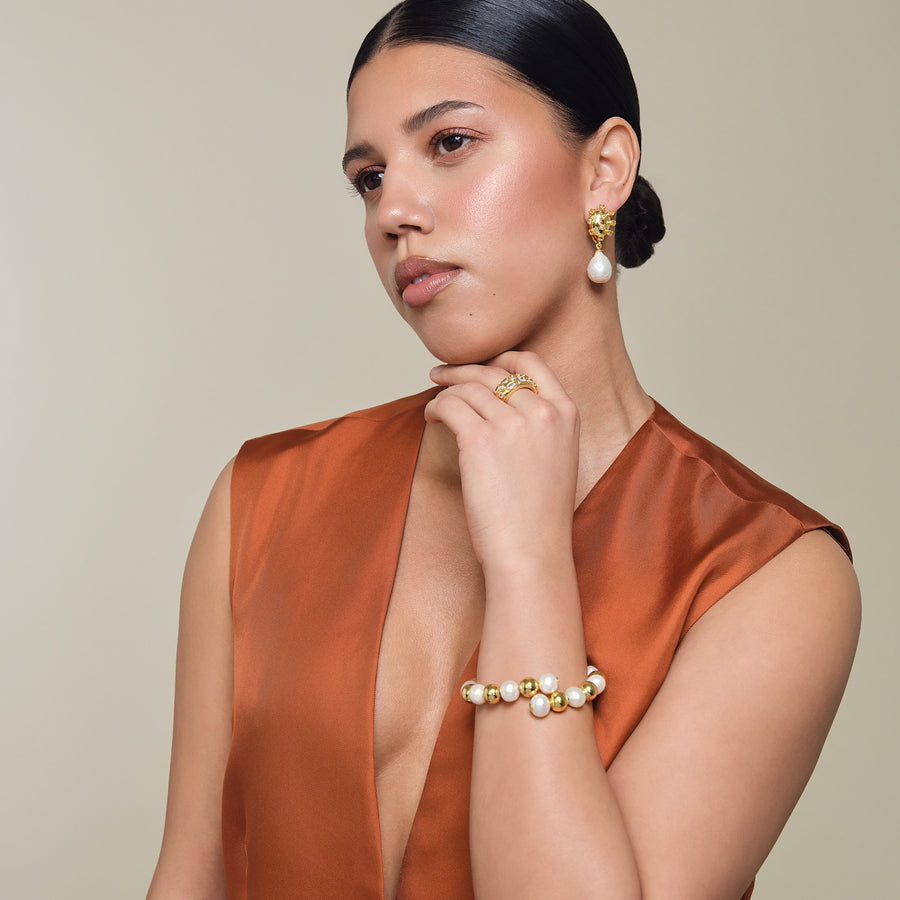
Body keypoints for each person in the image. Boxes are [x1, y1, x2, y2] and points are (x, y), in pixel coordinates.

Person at [148, 1, 860, 897]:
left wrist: (527, 563)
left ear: (604, 170)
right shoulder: (263, 499)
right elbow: (188, 876)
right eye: (368, 177)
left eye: (448, 143)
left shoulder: (767, 573)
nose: (394, 212)